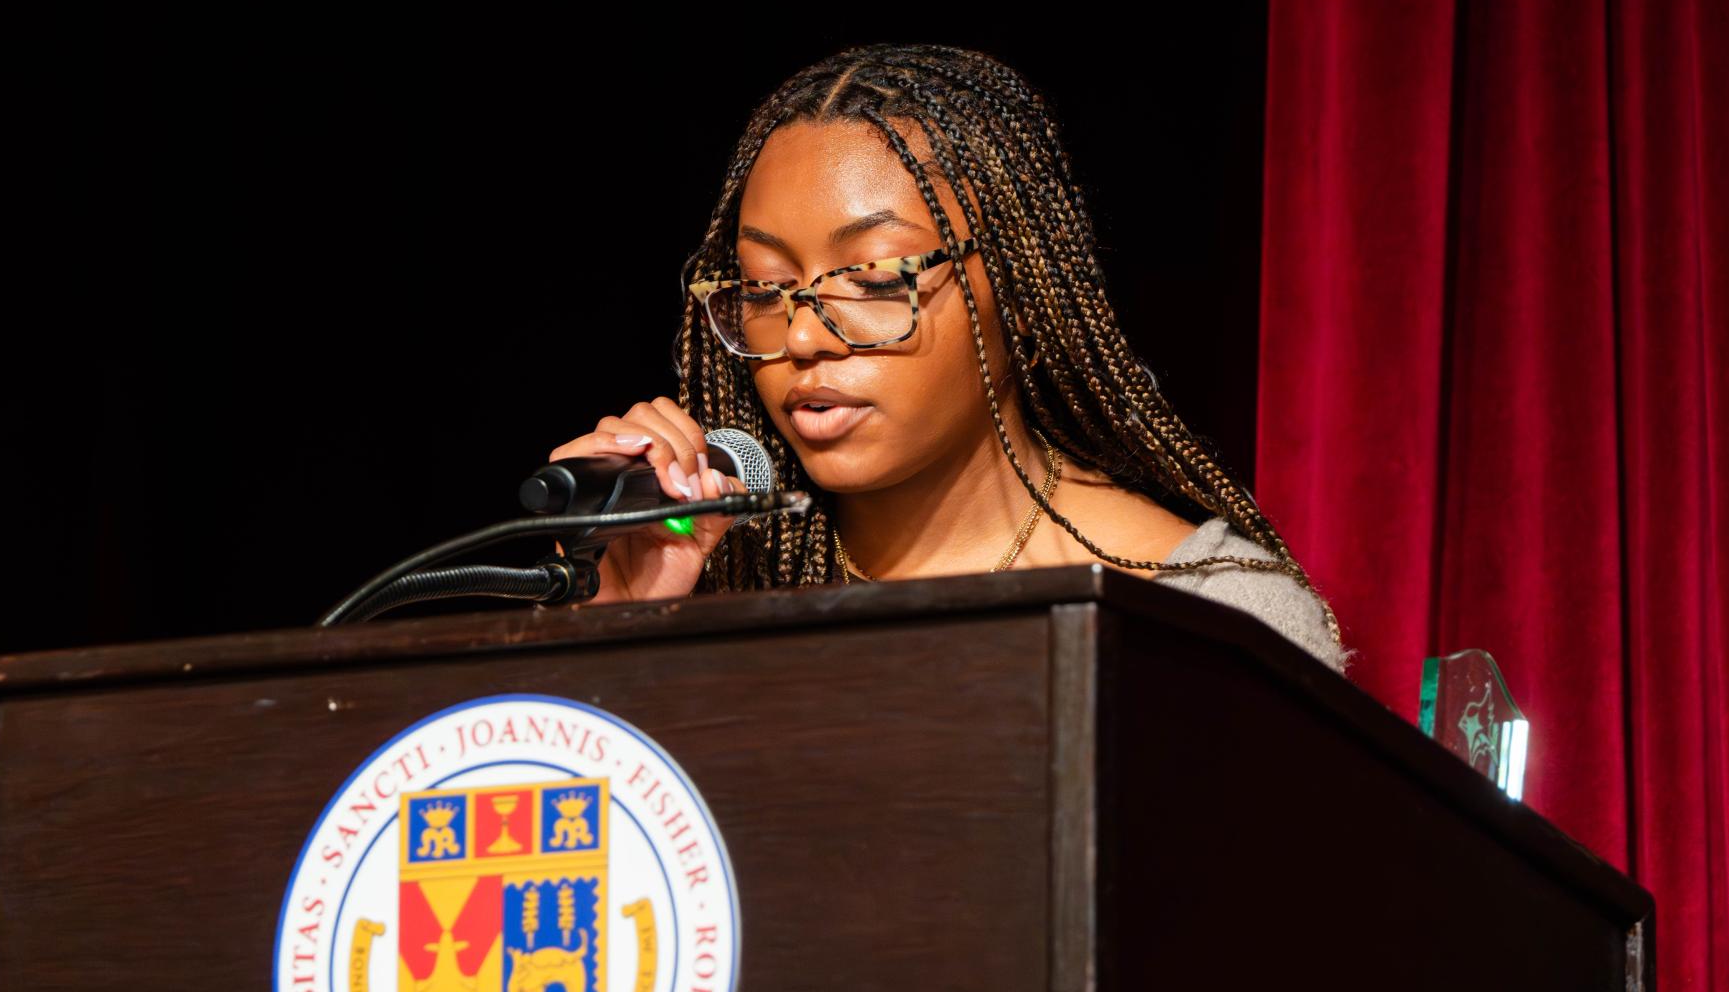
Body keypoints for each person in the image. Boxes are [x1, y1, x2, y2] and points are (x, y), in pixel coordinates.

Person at [546, 43, 1350, 674]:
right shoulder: (714, 592)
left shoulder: (1217, 618)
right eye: (762, 288)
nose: (799, 338)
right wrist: (609, 628)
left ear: (1019, 290)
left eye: (869, 278)